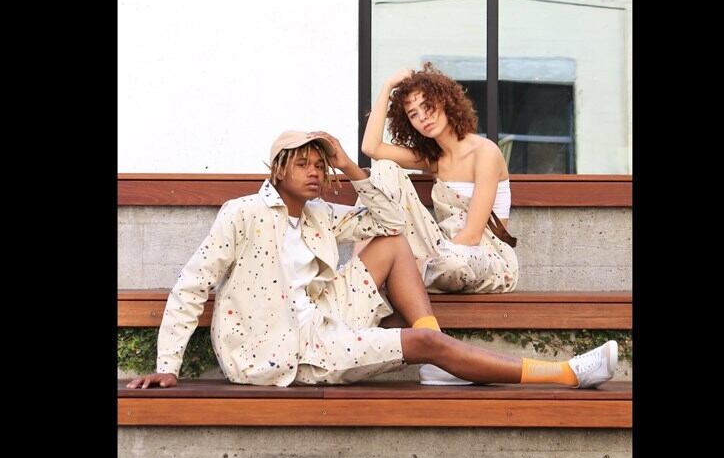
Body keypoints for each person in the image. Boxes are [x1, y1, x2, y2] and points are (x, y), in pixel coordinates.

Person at [126, 130, 618, 391]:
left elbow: (389, 220)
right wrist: (168, 366)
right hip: (284, 353)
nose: (315, 172)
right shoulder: (244, 214)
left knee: (393, 243)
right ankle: (564, 374)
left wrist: (348, 164)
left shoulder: (319, 215)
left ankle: (435, 348)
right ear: (277, 171)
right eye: (303, 164)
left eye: (320, 165)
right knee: (424, 342)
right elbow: (192, 285)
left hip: (324, 319)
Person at [361, 63, 520, 384]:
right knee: (384, 170)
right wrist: (387, 87)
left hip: (483, 257)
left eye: (428, 106)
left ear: (446, 101)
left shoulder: (484, 152)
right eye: (413, 114)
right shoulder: (433, 159)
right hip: (441, 251)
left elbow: (472, 234)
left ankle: (391, 275)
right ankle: (372, 276)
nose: (423, 117)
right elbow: (371, 149)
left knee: (448, 262)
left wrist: (423, 261)